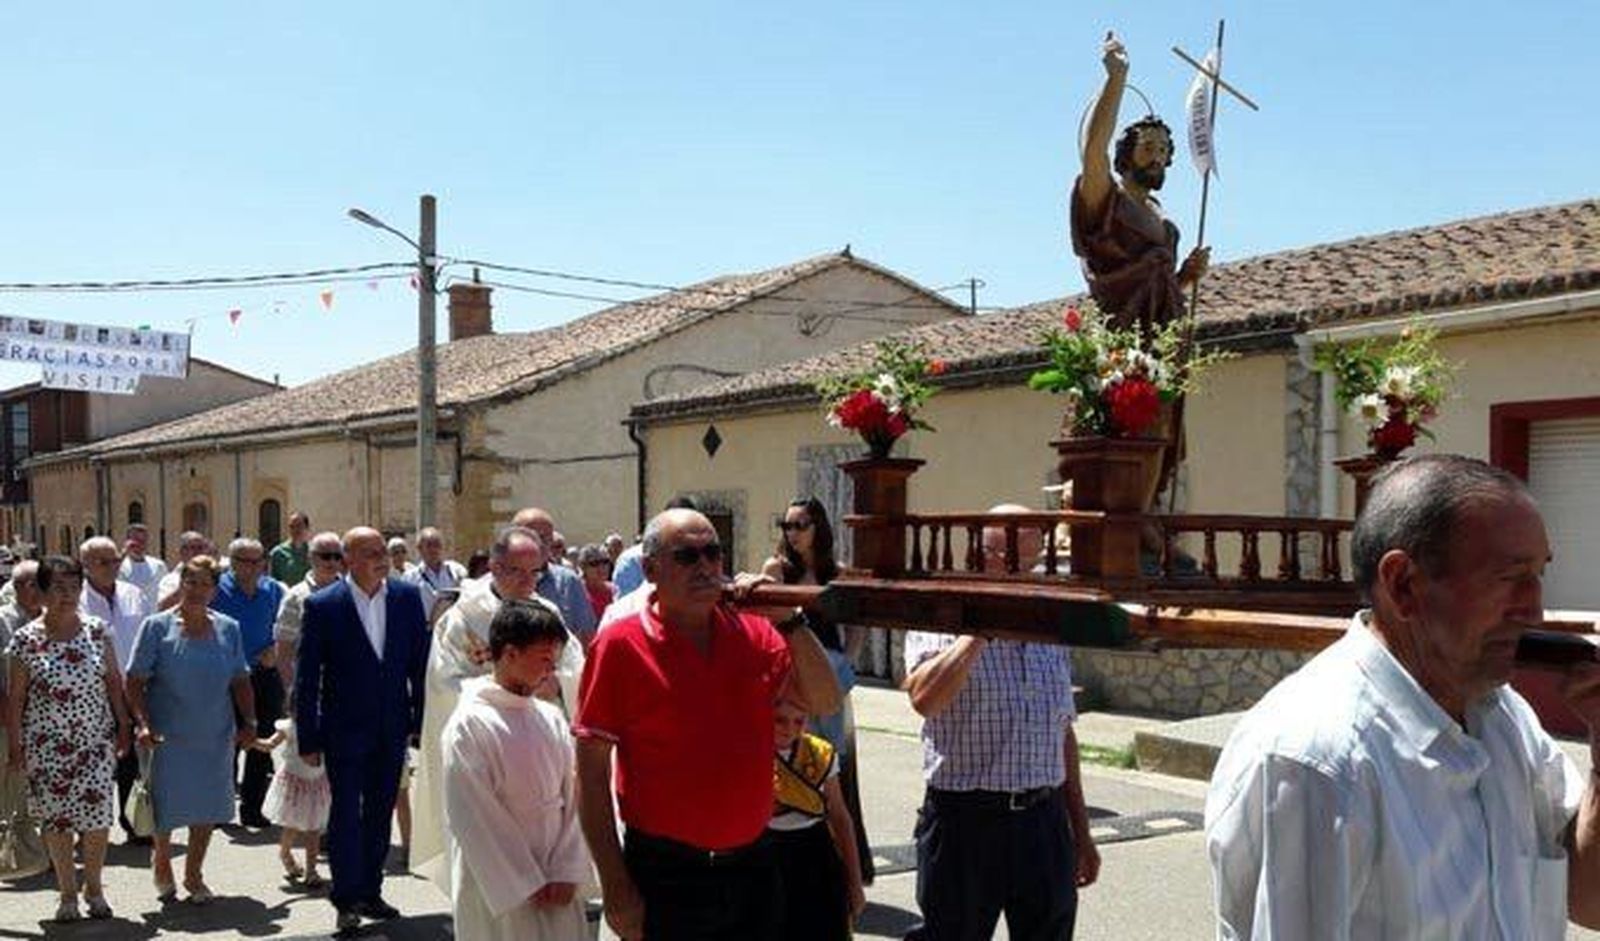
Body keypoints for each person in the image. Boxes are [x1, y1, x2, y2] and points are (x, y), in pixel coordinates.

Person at [1205, 455, 1600, 937]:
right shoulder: (1316, 762)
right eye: (1509, 578)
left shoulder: (1504, 719)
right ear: (1403, 585)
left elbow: (1591, 902)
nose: (1533, 610)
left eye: (1538, 575)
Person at [575, 508, 841, 940]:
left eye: (713, 553)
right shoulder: (620, 646)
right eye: (686, 556)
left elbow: (825, 700)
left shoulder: (756, 634)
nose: (705, 567)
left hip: (754, 867)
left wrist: (790, 620)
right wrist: (615, 884)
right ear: (650, 570)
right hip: (667, 874)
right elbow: (589, 773)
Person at [901, 505, 1100, 941]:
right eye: (1015, 562)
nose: (1028, 574)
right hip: (966, 824)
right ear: (981, 554)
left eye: (1035, 561)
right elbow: (924, 699)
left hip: (1044, 821)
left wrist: (1080, 831)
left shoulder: (1049, 628)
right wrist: (981, 629)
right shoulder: (940, 616)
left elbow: (1062, 732)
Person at [411, 526, 582, 890]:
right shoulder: (464, 618)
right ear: (494, 566)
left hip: (539, 743)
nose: (527, 582)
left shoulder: (547, 612)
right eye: (517, 571)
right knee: (492, 852)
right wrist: (504, 693)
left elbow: (574, 668)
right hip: (488, 748)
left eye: (535, 572)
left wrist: (558, 684)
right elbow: (444, 684)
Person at [296, 526, 430, 936]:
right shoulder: (323, 605)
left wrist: (420, 722)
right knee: (345, 816)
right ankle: (346, 899)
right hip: (344, 730)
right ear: (347, 560)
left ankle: (371, 891)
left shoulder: (406, 597)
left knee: (379, 812)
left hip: (391, 727)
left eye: (382, 551)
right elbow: (307, 676)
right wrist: (308, 736)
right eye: (370, 553)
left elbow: (419, 665)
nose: (381, 559)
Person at [442, 598, 591, 941]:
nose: (551, 671)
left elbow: (575, 796)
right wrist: (524, 880)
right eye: (544, 659)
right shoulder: (469, 724)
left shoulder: (550, 717)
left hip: (557, 874)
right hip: (501, 885)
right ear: (510, 654)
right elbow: (473, 814)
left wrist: (566, 868)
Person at [4, 556, 130, 922]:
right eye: (59, 588)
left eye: (74, 587)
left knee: (97, 820)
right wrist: (15, 747)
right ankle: (67, 893)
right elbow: (16, 699)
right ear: (41, 592)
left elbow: (113, 682)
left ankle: (95, 888)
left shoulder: (97, 631)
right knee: (57, 822)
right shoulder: (25, 639)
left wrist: (124, 724)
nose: (68, 595)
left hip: (94, 743)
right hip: (46, 747)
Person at [125, 556, 256, 904]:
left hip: (214, 733)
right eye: (191, 582)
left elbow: (241, 679)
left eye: (205, 584)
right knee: (166, 805)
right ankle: (162, 859)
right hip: (166, 735)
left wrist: (250, 722)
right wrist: (142, 723)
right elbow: (134, 680)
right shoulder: (156, 626)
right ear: (180, 584)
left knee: (207, 805)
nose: (197, 590)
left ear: (215, 590)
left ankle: (194, 873)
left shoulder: (229, 628)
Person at [760, 496, 875, 885]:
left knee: (837, 768)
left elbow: (858, 619)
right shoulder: (777, 568)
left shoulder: (837, 572)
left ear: (818, 527)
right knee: (797, 761)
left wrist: (849, 659)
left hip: (833, 676)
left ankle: (845, 862)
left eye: (800, 525)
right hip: (794, 678)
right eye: (787, 525)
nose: (792, 533)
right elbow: (768, 621)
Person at [770, 696, 866, 941]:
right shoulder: (749, 753)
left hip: (815, 854)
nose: (789, 728)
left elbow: (840, 817)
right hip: (765, 856)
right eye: (780, 720)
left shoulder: (820, 754)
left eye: (798, 721)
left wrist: (855, 883)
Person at [78, 535, 151, 846]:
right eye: (103, 561)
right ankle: (89, 828)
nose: (112, 566)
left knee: (131, 759)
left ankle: (133, 822)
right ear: (85, 565)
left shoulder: (134, 594)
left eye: (115, 560)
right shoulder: (76, 599)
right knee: (92, 759)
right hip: (92, 692)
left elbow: (148, 638)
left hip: (133, 687)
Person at [211, 537, 287, 829]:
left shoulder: (272, 589)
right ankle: (220, 806)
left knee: (261, 740)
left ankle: (253, 808)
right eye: (247, 561)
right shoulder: (217, 588)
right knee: (225, 742)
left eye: (259, 561)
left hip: (263, 673)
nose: (255, 567)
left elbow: (285, 625)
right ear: (232, 562)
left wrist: (275, 648)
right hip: (225, 675)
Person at [0, 560, 47, 879]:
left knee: (39, 785)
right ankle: (11, 854)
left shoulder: (50, 620)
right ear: (19, 587)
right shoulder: (3, 621)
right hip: (7, 716)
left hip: (44, 716)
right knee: (10, 784)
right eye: (33, 583)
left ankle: (39, 852)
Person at [253, 714, 330, 889]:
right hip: (294, 783)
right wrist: (252, 741)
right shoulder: (288, 727)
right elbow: (270, 744)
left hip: (317, 782)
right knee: (292, 824)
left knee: (313, 828)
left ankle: (311, 871)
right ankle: (285, 853)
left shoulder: (325, 723)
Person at [511, 508, 598, 646]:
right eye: (532, 537)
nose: (539, 544)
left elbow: (587, 636)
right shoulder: (495, 584)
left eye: (545, 538)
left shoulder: (568, 581)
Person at [273, 530, 344, 695]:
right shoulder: (295, 596)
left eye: (337, 556)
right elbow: (284, 648)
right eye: (326, 556)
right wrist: (291, 690)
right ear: (311, 557)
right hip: (311, 686)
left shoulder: (352, 592)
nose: (332, 562)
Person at [405, 526, 467, 622]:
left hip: (452, 626)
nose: (434, 550)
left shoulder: (456, 571)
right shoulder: (410, 578)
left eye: (437, 545)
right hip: (424, 627)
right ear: (419, 549)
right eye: (429, 545)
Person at [155, 531, 213, 611]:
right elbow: (162, 607)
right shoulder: (170, 579)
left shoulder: (213, 575)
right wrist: (184, 587)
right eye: (192, 548)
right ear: (182, 551)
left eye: (200, 548)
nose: (197, 552)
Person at [117, 524, 167, 609]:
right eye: (136, 540)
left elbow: (165, 590)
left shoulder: (159, 566)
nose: (139, 544)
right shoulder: (120, 566)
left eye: (143, 541)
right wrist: (123, 554)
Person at [270, 511, 314, 587]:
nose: (295, 530)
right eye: (292, 527)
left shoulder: (314, 551)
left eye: (299, 526)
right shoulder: (278, 553)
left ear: (307, 528)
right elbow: (273, 581)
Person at [577, 544, 614, 623]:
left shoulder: (615, 591)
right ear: (583, 567)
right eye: (594, 563)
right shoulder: (577, 592)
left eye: (605, 562)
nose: (601, 567)